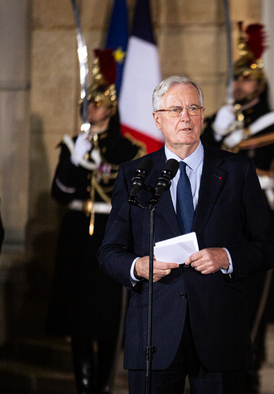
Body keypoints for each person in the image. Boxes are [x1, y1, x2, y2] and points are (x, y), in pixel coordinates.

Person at [98, 75, 274, 394]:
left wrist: (226, 257)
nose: (185, 116)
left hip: (220, 334)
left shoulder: (236, 170)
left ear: (203, 114)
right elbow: (109, 252)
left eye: (193, 107)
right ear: (157, 119)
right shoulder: (134, 175)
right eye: (175, 109)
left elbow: (268, 247)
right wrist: (138, 267)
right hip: (154, 335)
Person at [200, 23, 274, 393]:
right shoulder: (219, 125)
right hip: (216, 230)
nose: (238, 86)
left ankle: (249, 377)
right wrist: (213, 133)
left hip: (258, 230)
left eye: (245, 79)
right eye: (235, 79)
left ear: (259, 84)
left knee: (252, 313)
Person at [45, 49, 145, 394]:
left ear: (111, 108)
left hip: (109, 232)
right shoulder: (74, 144)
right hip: (76, 232)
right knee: (77, 314)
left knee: (105, 317)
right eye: (88, 102)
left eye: (99, 102)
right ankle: (83, 384)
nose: (92, 108)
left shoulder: (128, 150)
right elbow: (59, 193)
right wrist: (75, 159)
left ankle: (102, 384)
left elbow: (132, 193)